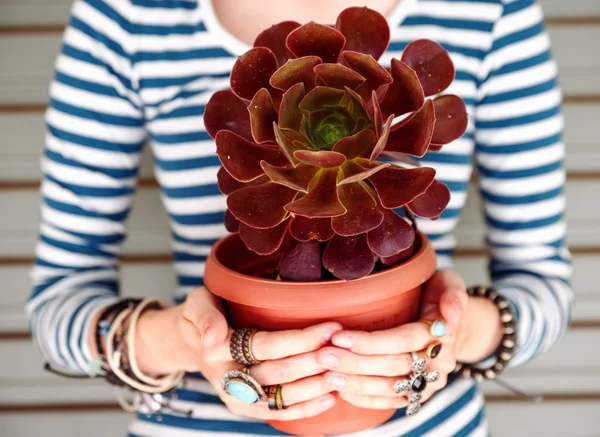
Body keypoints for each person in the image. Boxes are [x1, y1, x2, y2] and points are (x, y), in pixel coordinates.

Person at [27, 0, 573, 435]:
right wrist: (183, 342)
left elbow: (543, 283)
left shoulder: (492, 11)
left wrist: (458, 333)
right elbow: (58, 301)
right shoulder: (126, 17)